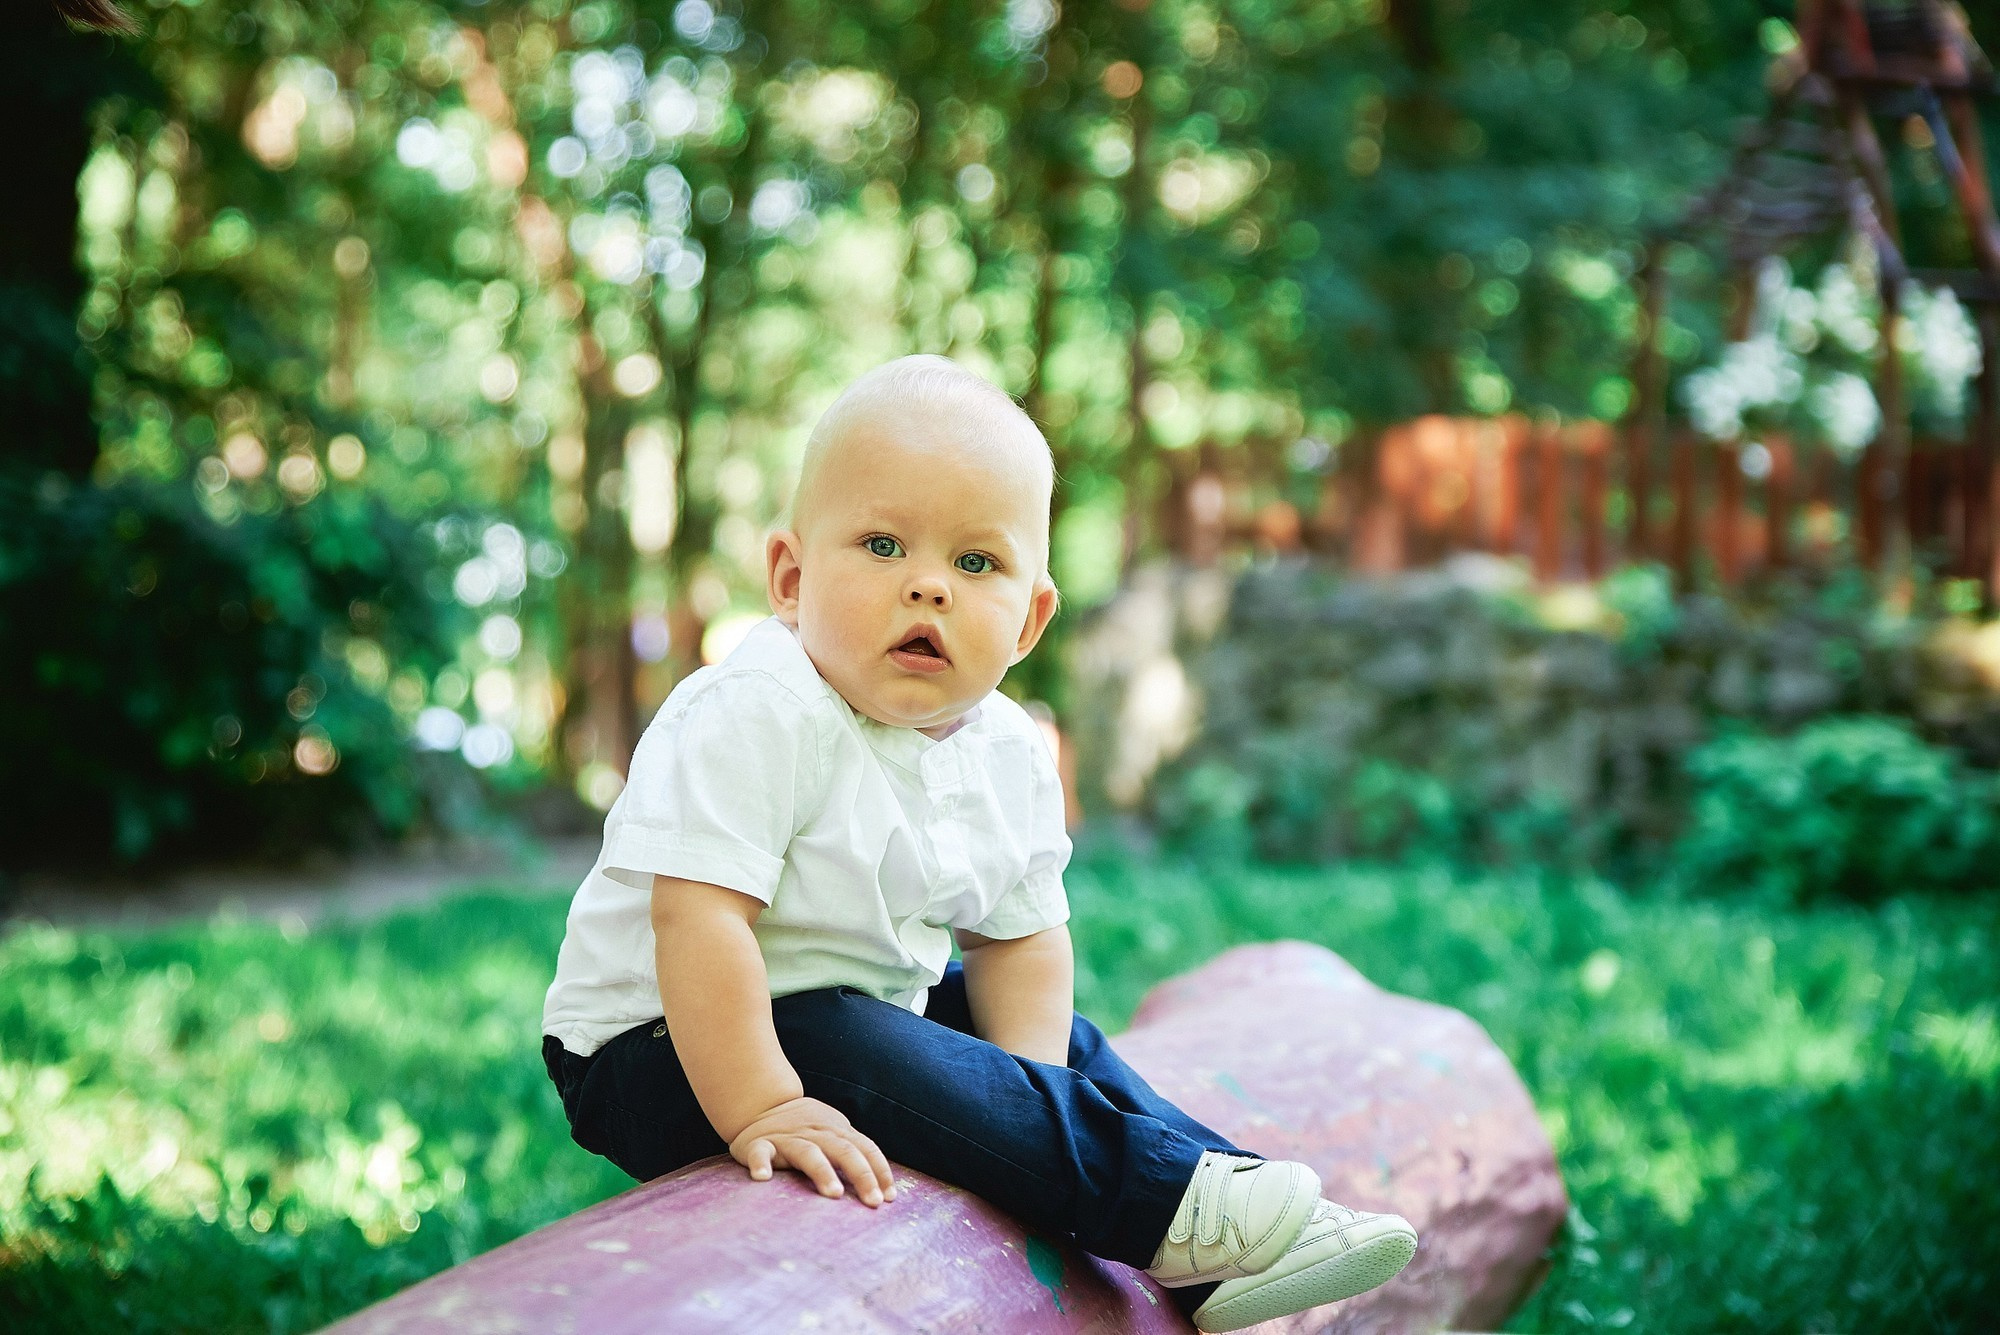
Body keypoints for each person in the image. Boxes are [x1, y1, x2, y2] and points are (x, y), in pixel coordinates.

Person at [540, 355, 1417, 1332]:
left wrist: (1022, 1100)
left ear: (1030, 618)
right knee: (830, 1033)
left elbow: (1020, 942)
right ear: (790, 577)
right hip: (655, 1050)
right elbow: (697, 920)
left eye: (975, 563)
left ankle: (1227, 1225)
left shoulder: (1007, 748)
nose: (928, 587)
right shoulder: (758, 707)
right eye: (882, 545)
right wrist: (762, 1105)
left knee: (1057, 1039)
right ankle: (1166, 1205)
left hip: (856, 1018)